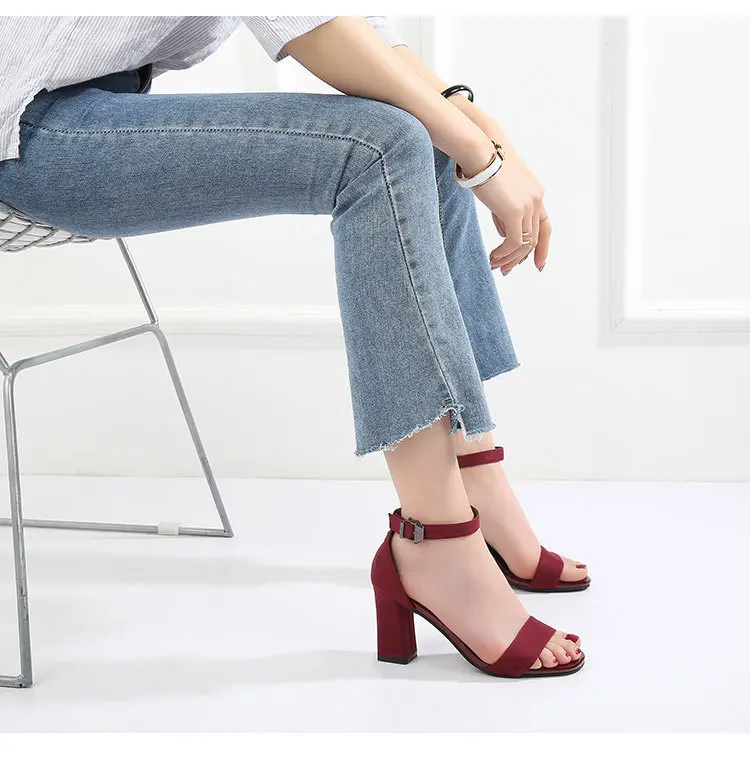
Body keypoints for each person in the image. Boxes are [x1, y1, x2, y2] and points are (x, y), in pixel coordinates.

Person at [0, 16, 588, 678]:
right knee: (384, 146)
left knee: (427, 137)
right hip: (24, 128)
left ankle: (473, 474)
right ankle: (436, 542)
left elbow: (359, 28)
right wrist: (482, 157)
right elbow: (314, 24)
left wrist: (478, 131)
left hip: (86, 106)